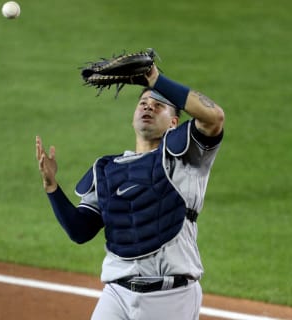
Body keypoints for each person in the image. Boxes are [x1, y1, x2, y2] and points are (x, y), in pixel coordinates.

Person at [35, 63, 225, 320]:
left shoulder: (187, 157)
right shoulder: (106, 170)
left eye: (159, 104)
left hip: (170, 296)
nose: (149, 106)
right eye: (143, 103)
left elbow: (214, 118)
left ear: (174, 122)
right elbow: (79, 231)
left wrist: (157, 80)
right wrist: (51, 186)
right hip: (117, 294)